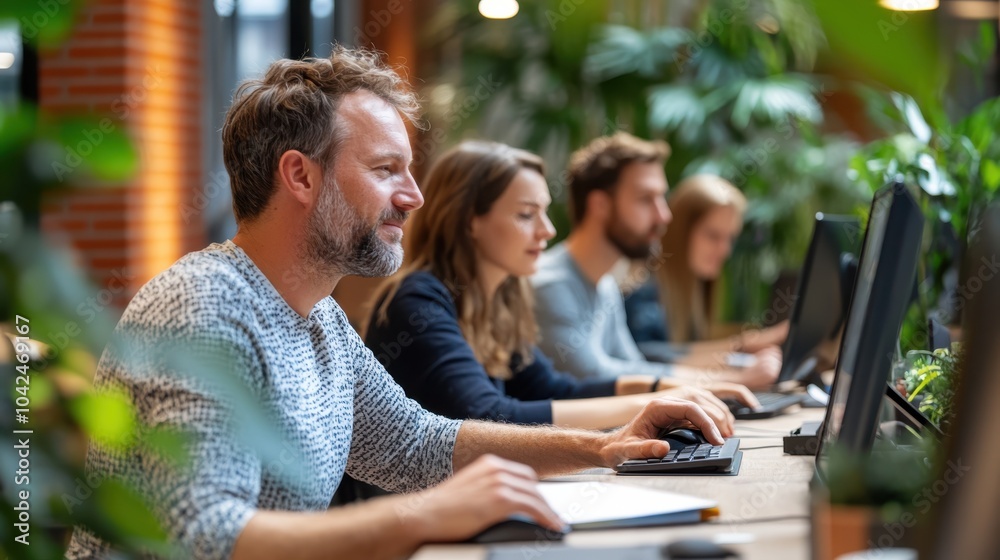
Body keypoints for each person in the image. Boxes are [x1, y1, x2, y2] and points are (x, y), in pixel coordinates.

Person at [64, 48, 725, 560]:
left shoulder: (318, 315)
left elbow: (416, 444)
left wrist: (605, 446)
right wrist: (424, 517)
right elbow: (203, 534)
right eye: (386, 170)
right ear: (300, 175)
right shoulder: (204, 312)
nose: (413, 196)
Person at [366, 141, 758, 435]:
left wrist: (667, 387)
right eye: (525, 214)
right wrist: (652, 402)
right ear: (470, 221)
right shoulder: (417, 300)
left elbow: (554, 388)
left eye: (545, 212)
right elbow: (489, 414)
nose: (547, 231)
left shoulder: (499, 299)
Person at [531, 133, 782, 390]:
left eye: (661, 197)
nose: (664, 215)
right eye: (645, 199)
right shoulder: (551, 285)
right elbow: (593, 376)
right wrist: (731, 380)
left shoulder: (605, 285)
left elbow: (635, 366)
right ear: (600, 205)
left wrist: (727, 381)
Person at [621, 174, 788, 364]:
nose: (725, 250)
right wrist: (744, 345)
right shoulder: (644, 289)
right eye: (713, 236)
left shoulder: (694, 289)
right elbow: (644, 356)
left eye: (730, 238)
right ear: (680, 233)